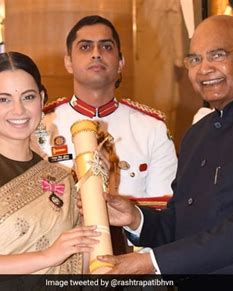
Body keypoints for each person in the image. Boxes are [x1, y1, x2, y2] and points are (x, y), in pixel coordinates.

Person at [95, 15, 233, 274]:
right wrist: (135, 218)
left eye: (217, 55)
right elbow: (180, 223)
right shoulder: (197, 134)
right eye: (195, 59)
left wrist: (150, 262)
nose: (204, 69)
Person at [0, 51, 100, 274]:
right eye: (4, 99)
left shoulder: (62, 178)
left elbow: (82, 261)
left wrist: (98, 191)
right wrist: (46, 256)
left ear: (41, 99)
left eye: (28, 97)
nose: (19, 110)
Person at [35, 15, 177, 207]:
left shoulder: (152, 129)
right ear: (68, 62)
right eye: (85, 47)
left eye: (106, 46)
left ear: (120, 62)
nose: (96, 53)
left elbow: (163, 213)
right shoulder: (41, 125)